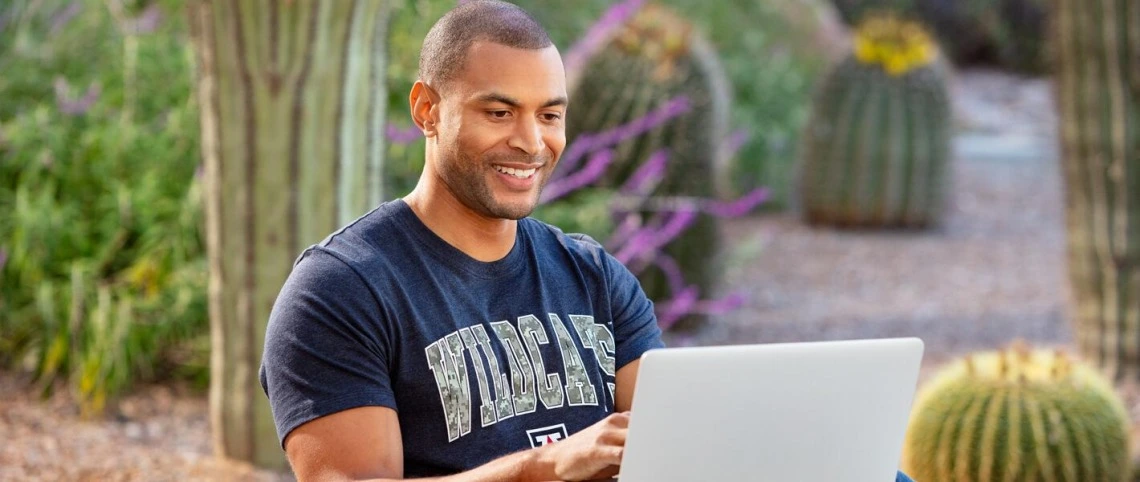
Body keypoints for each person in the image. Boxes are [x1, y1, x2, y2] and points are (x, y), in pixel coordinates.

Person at [259, 2, 916, 481]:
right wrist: (540, 468)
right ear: (427, 109)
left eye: (549, 115)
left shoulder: (592, 276)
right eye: (499, 112)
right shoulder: (340, 290)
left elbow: (673, 452)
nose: (531, 141)